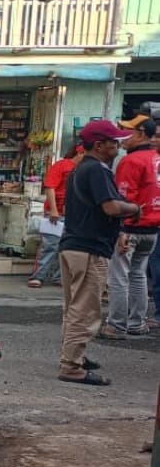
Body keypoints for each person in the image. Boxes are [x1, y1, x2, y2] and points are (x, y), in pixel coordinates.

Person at [57, 120, 142, 385]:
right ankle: (71, 365)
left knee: (74, 308)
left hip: (74, 245)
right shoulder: (96, 170)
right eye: (113, 142)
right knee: (85, 310)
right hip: (88, 248)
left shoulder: (81, 168)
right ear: (99, 145)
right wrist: (134, 208)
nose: (117, 146)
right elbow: (111, 208)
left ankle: (75, 356)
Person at [105, 117, 160, 338]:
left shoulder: (131, 161)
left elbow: (123, 199)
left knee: (119, 276)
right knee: (138, 275)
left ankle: (117, 325)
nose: (121, 136)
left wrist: (119, 228)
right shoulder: (156, 158)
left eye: (125, 131)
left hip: (130, 227)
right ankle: (137, 322)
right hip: (152, 228)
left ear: (139, 134)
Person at [29, 146, 83, 288]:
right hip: (57, 213)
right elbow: (50, 187)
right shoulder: (62, 165)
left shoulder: (84, 168)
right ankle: (38, 276)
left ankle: (59, 277)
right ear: (80, 152)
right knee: (50, 245)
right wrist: (53, 209)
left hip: (73, 213)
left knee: (67, 247)